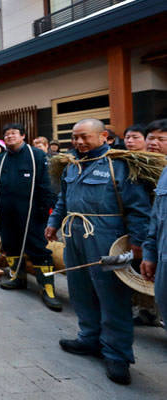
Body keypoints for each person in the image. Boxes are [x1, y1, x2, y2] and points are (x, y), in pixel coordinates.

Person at [45, 118, 151, 385]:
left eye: (85, 137)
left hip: (106, 235)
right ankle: (89, 337)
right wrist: (53, 223)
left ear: (104, 136)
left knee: (112, 294)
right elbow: (63, 198)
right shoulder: (72, 165)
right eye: (75, 137)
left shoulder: (120, 166)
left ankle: (117, 354)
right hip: (74, 235)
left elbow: (139, 208)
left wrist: (138, 243)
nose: (79, 142)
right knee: (80, 288)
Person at [0, 123, 60, 311]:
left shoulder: (37, 156)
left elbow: (47, 184)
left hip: (33, 213)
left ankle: (48, 289)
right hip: (7, 212)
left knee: (38, 248)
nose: (10, 136)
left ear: (23, 136)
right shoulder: (1, 159)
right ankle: (17, 278)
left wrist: (47, 210)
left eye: (13, 133)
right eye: (6, 134)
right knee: (10, 244)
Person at [141, 119, 167, 330]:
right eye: (151, 138)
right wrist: (149, 253)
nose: (155, 143)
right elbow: (156, 218)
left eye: (161, 139)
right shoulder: (164, 174)